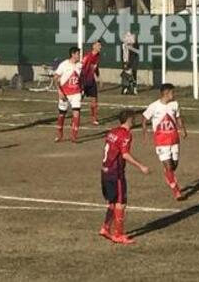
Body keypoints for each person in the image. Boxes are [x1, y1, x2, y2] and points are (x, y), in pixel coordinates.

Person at [100, 110, 150, 245]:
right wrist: (141, 166)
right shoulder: (126, 134)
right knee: (121, 203)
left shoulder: (112, 131)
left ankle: (105, 228)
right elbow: (125, 154)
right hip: (115, 173)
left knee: (112, 201)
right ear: (129, 119)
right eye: (133, 118)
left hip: (105, 170)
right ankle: (118, 235)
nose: (134, 121)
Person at [142, 83, 187, 201]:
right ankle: (176, 191)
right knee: (168, 167)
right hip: (161, 141)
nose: (174, 94)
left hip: (174, 139)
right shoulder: (154, 106)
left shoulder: (175, 104)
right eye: (173, 92)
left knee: (174, 165)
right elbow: (144, 119)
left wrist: (182, 129)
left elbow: (178, 117)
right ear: (166, 93)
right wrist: (145, 132)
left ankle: (169, 176)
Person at [54, 47, 82, 143]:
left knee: (76, 113)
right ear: (73, 54)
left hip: (76, 93)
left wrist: (82, 89)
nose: (79, 56)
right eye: (78, 54)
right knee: (62, 114)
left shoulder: (79, 65)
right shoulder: (64, 65)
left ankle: (74, 136)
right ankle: (59, 134)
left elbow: (81, 78)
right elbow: (55, 77)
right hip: (65, 93)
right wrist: (59, 91)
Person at [81, 41, 102, 126]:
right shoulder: (87, 57)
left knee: (94, 101)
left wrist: (99, 77)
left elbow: (96, 68)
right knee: (78, 101)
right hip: (83, 81)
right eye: (98, 45)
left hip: (91, 81)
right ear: (93, 46)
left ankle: (94, 119)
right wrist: (81, 83)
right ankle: (74, 120)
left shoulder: (98, 57)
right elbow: (81, 68)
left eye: (100, 45)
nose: (100, 47)